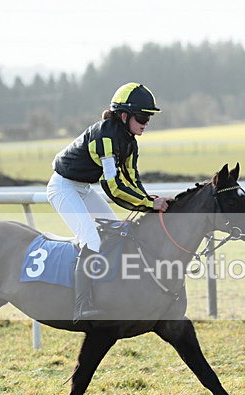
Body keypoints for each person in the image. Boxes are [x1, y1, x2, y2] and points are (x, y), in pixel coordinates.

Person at [47, 82, 168, 321]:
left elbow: (132, 178)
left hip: (82, 188)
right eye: (142, 117)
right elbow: (112, 186)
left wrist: (145, 199)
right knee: (91, 239)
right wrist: (146, 205)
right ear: (124, 115)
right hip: (63, 188)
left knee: (115, 232)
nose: (145, 124)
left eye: (148, 119)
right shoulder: (106, 136)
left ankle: (113, 293)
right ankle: (80, 306)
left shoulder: (130, 141)